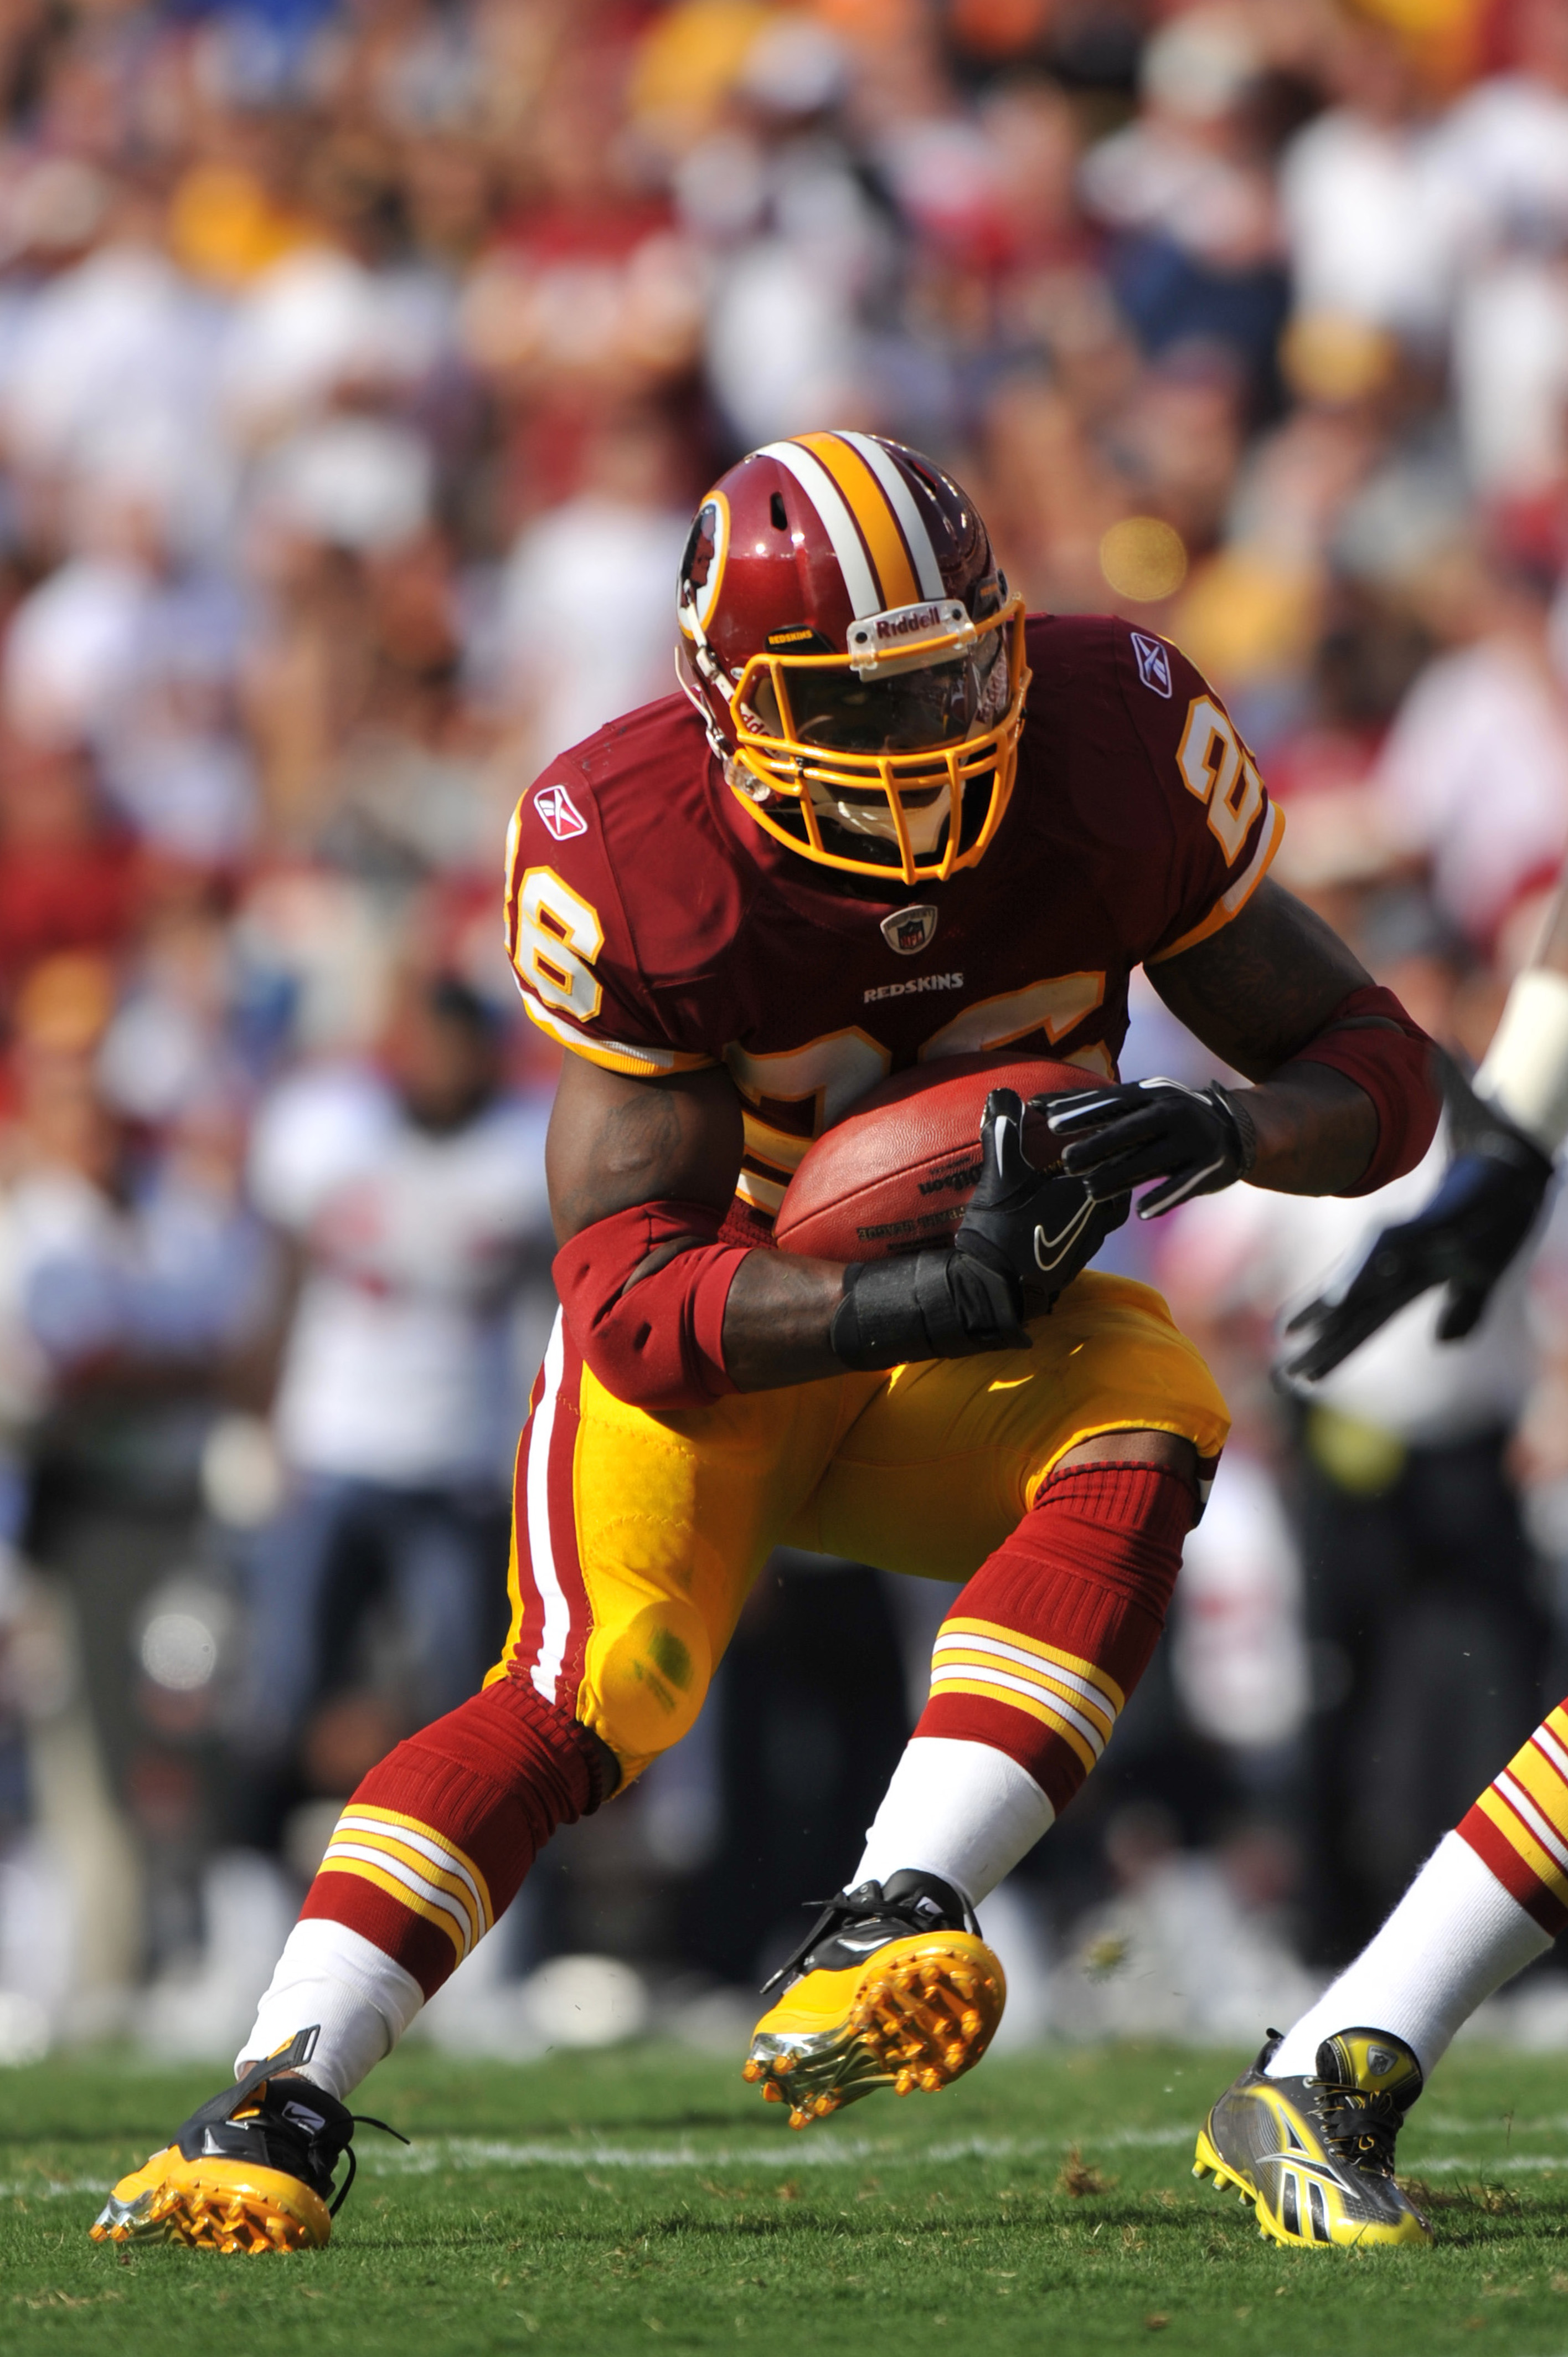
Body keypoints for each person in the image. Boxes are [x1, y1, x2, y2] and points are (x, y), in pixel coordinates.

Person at [91, 431, 1438, 2253]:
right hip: (738, 1328)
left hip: (976, 1325)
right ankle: (276, 2089)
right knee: (599, 1680)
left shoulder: (1113, 741)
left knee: (1153, 1408)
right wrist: (909, 1296)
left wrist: (1218, 1130)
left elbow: (1378, 1072)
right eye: (863, 699)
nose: (931, 727)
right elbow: (625, 1294)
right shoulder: (630, 850)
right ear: (732, 703)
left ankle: (896, 1909)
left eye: (959, 672)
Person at [1193, 884, 1568, 2252]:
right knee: (1359, 1712)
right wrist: (1517, 1146)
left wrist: (1516, 1138)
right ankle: (1343, 2041)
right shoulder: (1369, 1118)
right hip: (1360, 1464)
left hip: (1468, 1457)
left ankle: (1349, 2044)